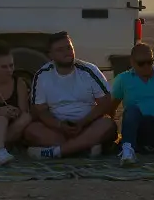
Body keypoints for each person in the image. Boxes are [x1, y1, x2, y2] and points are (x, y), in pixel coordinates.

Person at [24, 31, 118, 159]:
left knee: (107, 124)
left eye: (69, 47)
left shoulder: (89, 70)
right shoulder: (42, 75)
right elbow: (40, 111)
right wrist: (59, 125)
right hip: (57, 129)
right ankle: (83, 147)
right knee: (31, 130)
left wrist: (82, 123)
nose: (67, 52)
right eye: (60, 50)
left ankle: (57, 152)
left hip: (88, 125)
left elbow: (106, 102)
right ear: (50, 55)